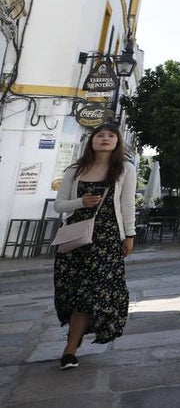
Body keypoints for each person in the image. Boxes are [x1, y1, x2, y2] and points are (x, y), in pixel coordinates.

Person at [53, 122, 137, 370]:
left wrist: (129, 235)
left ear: (117, 142)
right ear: (91, 140)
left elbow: (127, 205)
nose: (105, 139)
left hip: (107, 239)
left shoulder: (124, 169)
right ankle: (72, 345)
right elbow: (59, 205)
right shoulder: (76, 170)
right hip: (75, 239)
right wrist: (81, 202)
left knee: (94, 293)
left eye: (111, 135)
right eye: (100, 135)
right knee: (75, 291)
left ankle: (71, 348)